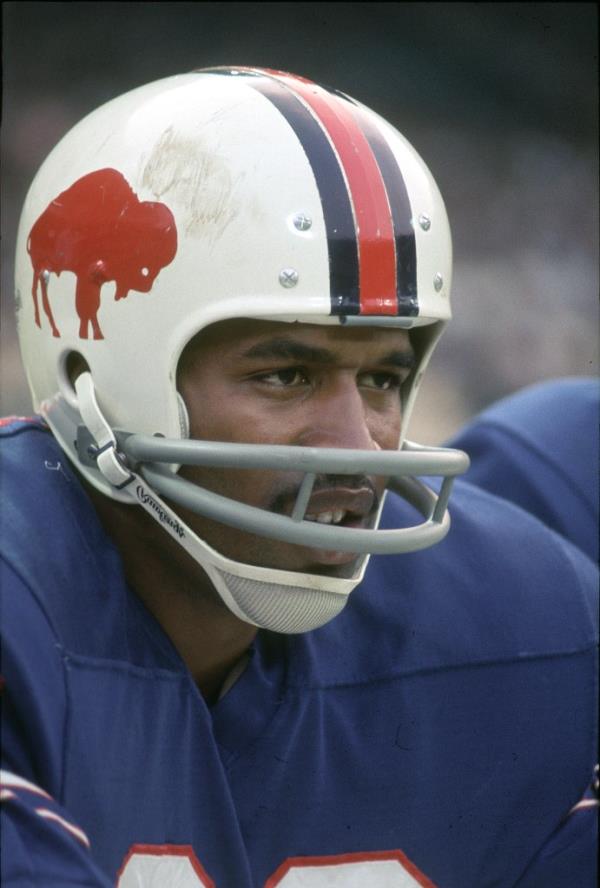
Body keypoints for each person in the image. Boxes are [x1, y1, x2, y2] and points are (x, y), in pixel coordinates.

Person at [1, 67, 597, 888]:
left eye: (384, 380)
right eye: (286, 375)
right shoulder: (21, 602)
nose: (358, 447)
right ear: (92, 374)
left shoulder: (527, 624)